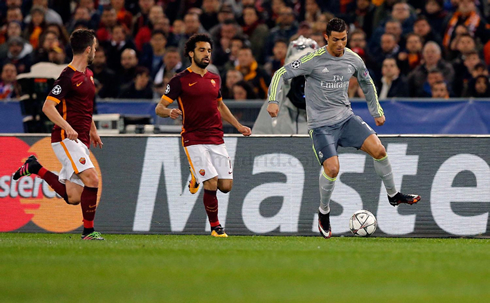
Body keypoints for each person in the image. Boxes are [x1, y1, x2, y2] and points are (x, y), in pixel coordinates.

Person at [267, 18, 421, 239]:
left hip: (346, 119)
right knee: (332, 169)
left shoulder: (353, 59)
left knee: (380, 151)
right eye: (336, 40)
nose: (341, 44)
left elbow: (367, 83)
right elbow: (280, 74)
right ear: (326, 38)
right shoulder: (313, 59)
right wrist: (274, 100)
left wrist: (376, 111)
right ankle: (324, 212)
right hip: (321, 125)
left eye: (344, 39)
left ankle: (393, 195)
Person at [155, 33, 252, 237]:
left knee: (225, 186)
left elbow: (220, 105)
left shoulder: (214, 79)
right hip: (193, 137)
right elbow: (159, 107)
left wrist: (238, 125)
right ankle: (216, 228)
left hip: (216, 136)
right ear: (191, 53)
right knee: (211, 181)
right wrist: (169, 112)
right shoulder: (179, 80)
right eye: (201, 50)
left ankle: (195, 173)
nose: (206, 54)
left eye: (208, 50)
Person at [12, 29, 104, 240]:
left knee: (73, 197)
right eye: (95, 48)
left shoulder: (88, 75)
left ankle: (35, 167)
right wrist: (68, 127)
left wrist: (93, 131)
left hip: (81, 139)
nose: (96, 51)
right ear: (88, 49)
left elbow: (84, 108)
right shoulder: (67, 76)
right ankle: (88, 232)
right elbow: (48, 107)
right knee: (92, 178)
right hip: (65, 138)